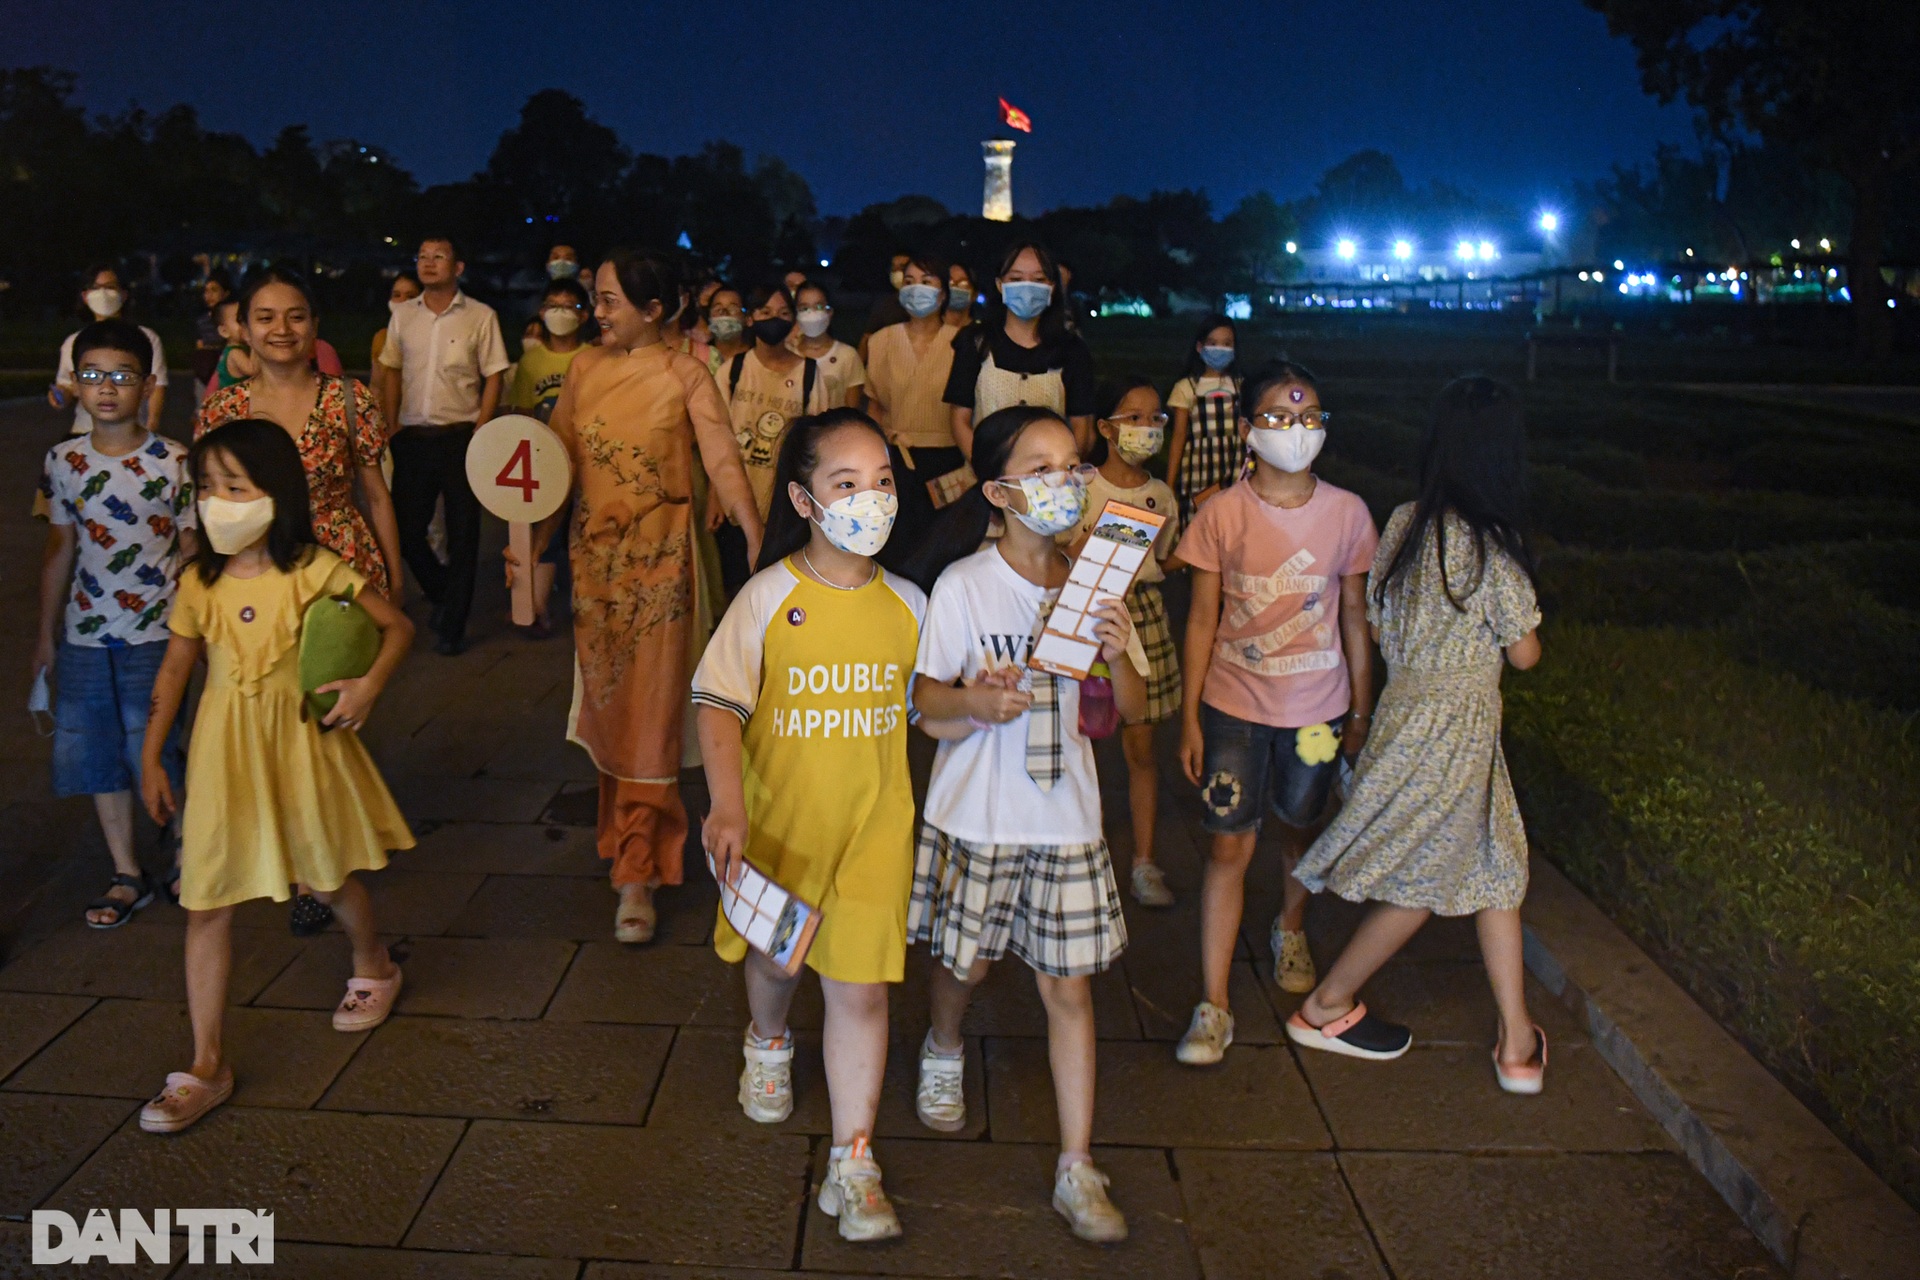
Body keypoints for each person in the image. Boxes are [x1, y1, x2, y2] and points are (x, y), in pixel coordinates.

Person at [695, 410, 968, 1242]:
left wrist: (987, 704)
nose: (872, 498)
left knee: (862, 991)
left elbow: (932, 713)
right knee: (777, 966)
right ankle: (767, 1041)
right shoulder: (769, 597)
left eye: (883, 480)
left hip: (875, 835)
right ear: (804, 500)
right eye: (846, 484)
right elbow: (717, 703)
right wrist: (728, 803)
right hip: (781, 833)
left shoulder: (913, 605)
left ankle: (855, 1162)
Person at [898, 406, 1142, 1244]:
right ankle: (942, 1043)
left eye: (1073, 465)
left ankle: (1079, 1164)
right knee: (963, 961)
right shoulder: (966, 585)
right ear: (1000, 491)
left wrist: (1115, 650)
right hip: (979, 814)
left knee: (1068, 989)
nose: (1066, 482)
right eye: (1042, 469)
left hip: (1067, 816)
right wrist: (974, 700)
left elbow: (1129, 711)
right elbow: (925, 701)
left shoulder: (1096, 582)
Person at [136, 420, 415, 1133]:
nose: (219, 501)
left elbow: (396, 627)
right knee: (205, 900)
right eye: (207, 488)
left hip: (298, 743)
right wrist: (150, 755)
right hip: (222, 749)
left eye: (236, 486)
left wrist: (367, 687)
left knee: (324, 877)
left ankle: (373, 960)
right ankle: (205, 1063)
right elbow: (174, 668)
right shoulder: (198, 581)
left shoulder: (314, 568)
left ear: (276, 492)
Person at [1289, 377, 1546, 1090]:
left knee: (1495, 868)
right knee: (1423, 880)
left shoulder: (1404, 522)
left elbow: (1375, 619)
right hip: (1457, 726)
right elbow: (1524, 652)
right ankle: (1325, 1005)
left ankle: (1518, 1041)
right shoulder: (1493, 546)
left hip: (1409, 712)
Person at [511, 249, 762, 943]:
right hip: (596, 577)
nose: (597, 312)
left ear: (655, 311)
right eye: (597, 297)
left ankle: (638, 871)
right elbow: (554, 465)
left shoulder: (686, 374)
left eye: (612, 300)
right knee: (612, 713)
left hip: (661, 579)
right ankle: (625, 845)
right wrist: (530, 550)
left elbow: (721, 459)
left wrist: (754, 534)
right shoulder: (584, 369)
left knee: (653, 720)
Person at [1171, 361, 1378, 1066]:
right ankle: (1215, 1001)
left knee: (1298, 827)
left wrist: (1361, 708)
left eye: (1310, 416)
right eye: (1281, 417)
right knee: (1228, 846)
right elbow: (1201, 619)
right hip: (1233, 707)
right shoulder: (1220, 513)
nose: (1297, 430)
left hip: (1318, 713)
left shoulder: (1348, 512)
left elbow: (1355, 613)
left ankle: (1291, 925)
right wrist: (1192, 715)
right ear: (1246, 430)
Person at [33, 320, 195, 928]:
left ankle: (182, 848)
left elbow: (191, 547)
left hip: (156, 634)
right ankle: (127, 870)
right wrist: (45, 637)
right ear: (74, 384)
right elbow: (59, 550)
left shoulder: (173, 460)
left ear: (147, 384)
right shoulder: (62, 461)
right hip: (84, 635)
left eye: (122, 376)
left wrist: (193, 631)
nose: (107, 389)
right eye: (93, 376)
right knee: (94, 747)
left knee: (151, 741)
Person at [196, 268, 403, 604]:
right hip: (253, 574)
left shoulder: (350, 400)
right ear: (245, 329)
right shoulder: (221, 410)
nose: (282, 329)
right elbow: (207, 503)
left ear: (314, 327)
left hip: (344, 572)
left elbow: (377, 497)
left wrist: (395, 581)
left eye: (296, 317)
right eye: (266, 318)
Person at [1073, 377, 1182, 908]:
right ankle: (1082, 852)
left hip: (1143, 612)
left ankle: (1143, 860)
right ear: (1105, 428)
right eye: (1132, 417)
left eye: (1155, 417)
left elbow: (1164, 558)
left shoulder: (1160, 494)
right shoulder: (1081, 486)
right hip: (1087, 613)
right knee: (1083, 739)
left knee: (1141, 745)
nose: (1146, 427)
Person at [377, 236, 510, 655]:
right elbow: (392, 370)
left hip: (460, 437)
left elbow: (494, 374)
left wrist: (482, 427)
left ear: (458, 267)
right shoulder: (403, 317)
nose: (428, 264)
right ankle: (442, 593)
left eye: (439, 257)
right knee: (406, 531)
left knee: (464, 532)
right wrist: (391, 422)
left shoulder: (480, 316)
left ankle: (453, 626)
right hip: (413, 437)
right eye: (422, 257)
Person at [715, 281, 831, 593]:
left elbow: (817, 442)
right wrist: (717, 497)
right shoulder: (732, 371)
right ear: (750, 318)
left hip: (787, 507)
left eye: (782, 312)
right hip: (738, 506)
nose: (774, 319)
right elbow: (717, 439)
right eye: (765, 311)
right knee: (738, 590)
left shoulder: (809, 373)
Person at [943, 240, 1096, 457]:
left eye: (1038, 279)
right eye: (1016, 279)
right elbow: (959, 419)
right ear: (999, 284)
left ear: (1052, 287)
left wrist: (1061, 472)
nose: (1027, 287)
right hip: (987, 478)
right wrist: (986, 470)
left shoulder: (1073, 351)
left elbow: (1081, 427)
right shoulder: (974, 342)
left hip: (1051, 482)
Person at [507, 278, 593, 636]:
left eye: (568, 305)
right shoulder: (531, 362)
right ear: (542, 313)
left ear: (584, 314)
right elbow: (523, 414)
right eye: (552, 305)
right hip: (543, 463)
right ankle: (536, 608)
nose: (560, 313)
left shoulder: (593, 357)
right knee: (545, 534)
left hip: (586, 463)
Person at [864, 253, 961, 551]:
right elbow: (875, 407)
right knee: (897, 546)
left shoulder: (963, 341)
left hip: (948, 461)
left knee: (942, 546)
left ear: (943, 293)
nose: (917, 288)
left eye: (926, 281)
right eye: (909, 281)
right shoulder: (881, 341)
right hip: (895, 459)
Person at [50, 265, 168, 437]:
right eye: (96, 288)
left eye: (110, 287)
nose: (103, 293)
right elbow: (67, 385)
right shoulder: (74, 342)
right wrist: (60, 396)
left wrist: (151, 424)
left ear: (124, 294)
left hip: (130, 433)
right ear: (85, 296)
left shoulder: (145, 338)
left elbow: (158, 385)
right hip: (85, 432)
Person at [1166, 315, 1243, 524]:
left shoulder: (1241, 386)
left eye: (1227, 344)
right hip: (1197, 474)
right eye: (1213, 343)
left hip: (1235, 472)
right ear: (1200, 347)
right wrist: (1170, 484)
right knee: (1198, 530)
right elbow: (1179, 437)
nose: (1220, 349)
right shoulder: (1186, 388)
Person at [788, 281, 867, 409]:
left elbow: (852, 411)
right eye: (804, 308)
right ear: (795, 314)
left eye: (818, 307)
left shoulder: (847, 356)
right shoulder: (787, 353)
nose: (811, 313)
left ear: (829, 312)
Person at [190, 271, 233, 401]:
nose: (208, 295)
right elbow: (200, 347)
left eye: (214, 290)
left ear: (225, 293)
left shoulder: (232, 320)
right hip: (205, 373)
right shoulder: (201, 321)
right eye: (206, 291)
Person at [368, 274, 422, 374]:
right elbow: (376, 385)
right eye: (397, 295)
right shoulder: (381, 338)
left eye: (410, 296)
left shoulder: (430, 338)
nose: (402, 301)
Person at [208, 296, 254, 393]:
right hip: (235, 404)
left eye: (246, 318)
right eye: (239, 320)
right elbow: (252, 369)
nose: (246, 323)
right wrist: (254, 343)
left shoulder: (234, 349)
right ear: (224, 331)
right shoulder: (235, 352)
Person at [704, 284, 749, 376]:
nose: (724, 313)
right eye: (718, 309)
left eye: (733, 308)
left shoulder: (755, 357)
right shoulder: (700, 355)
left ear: (746, 317)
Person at [945, 262, 977, 328]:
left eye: (963, 284)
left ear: (975, 295)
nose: (955, 288)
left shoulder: (980, 334)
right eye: (950, 283)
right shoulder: (926, 331)